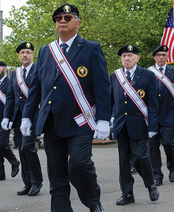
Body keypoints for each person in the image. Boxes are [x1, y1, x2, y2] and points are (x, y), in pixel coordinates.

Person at [20, 4, 110, 211]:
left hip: (81, 120)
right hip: (52, 121)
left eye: (67, 17)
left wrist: (104, 119)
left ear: (77, 23)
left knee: (79, 165)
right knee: (56, 171)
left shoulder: (91, 48)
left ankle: (92, 200)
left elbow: (102, 87)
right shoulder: (45, 51)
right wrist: (27, 116)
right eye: (58, 17)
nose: (62, 20)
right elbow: (36, 87)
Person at [110, 44, 159, 205]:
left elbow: (153, 103)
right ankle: (127, 194)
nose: (127, 59)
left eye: (130, 56)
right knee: (123, 162)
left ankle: (150, 184)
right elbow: (111, 100)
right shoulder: (115, 76)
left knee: (140, 157)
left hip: (139, 124)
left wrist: (152, 127)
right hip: (121, 125)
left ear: (137, 58)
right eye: (124, 56)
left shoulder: (147, 75)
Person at [1, 42, 43, 196]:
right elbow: (10, 98)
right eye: (22, 53)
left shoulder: (39, 70)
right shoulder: (15, 74)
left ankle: (36, 181)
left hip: (33, 115)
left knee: (27, 147)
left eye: (28, 52)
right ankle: (27, 182)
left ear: (33, 55)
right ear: (19, 56)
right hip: (19, 118)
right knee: (21, 149)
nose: (25, 55)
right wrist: (6, 117)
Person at [148, 45, 174, 186]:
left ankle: (172, 167)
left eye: (164, 55)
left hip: (169, 114)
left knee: (169, 144)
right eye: (158, 55)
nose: (161, 57)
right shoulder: (147, 72)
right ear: (154, 57)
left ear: (167, 57)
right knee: (152, 146)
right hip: (152, 115)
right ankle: (157, 174)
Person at [0, 61, 20, 181]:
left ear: (4, 69)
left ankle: (14, 161)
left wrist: (11, 118)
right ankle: (1, 173)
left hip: (5, 119)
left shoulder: (9, 82)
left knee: (2, 143)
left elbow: (12, 101)